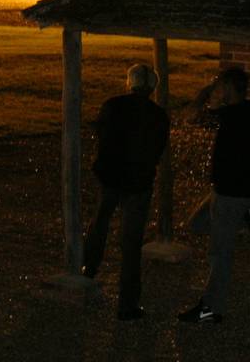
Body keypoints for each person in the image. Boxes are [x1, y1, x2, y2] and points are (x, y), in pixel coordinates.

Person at [82, 63, 169, 321]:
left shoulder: (113, 105)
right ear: (153, 87)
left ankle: (86, 270)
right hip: (138, 182)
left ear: (129, 83)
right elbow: (158, 149)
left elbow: (102, 135)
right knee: (131, 243)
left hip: (111, 177)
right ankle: (127, 304)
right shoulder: (158, 115)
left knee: (99, 224)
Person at [178, 66, 250, 325]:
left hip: (230, 193)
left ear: (228, 87)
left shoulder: (229, 115)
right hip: (234, 191)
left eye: (221, 86)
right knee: (197, 223)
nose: (218, 90)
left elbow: (190, 117)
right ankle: (249, 217)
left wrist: (205, 92)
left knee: (219, 253)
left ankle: (211, 309)